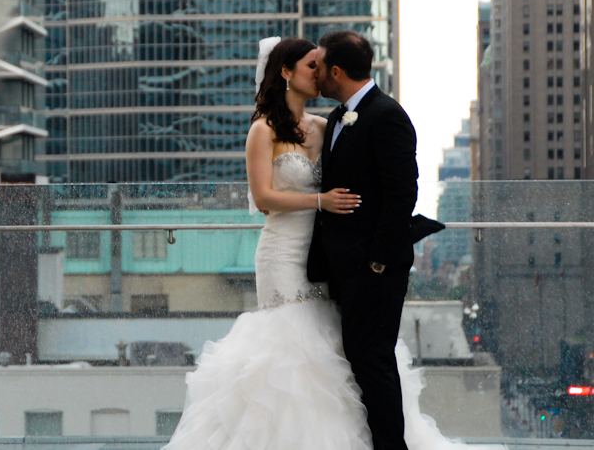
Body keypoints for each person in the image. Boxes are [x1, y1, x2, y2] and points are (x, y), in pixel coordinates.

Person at [162, 36, 504, 450]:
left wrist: (379, 251)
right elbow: (265, 200)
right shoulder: (262, 131)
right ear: (286, 72)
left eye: (319, 64)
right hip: (283, 253)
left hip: (331, 259)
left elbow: (381, 187)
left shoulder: (330, 125)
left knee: (331, 352)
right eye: (310, 65)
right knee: (288, 349)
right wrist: (319, 200)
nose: (317, 72)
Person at [307, 30, 416, 450]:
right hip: (343, 270)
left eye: (317, 65)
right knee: (359, 360)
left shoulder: (386, 115)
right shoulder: (337, 118)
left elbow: (402, 194)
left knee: (373, 364)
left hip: (375, 272)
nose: (314, 73)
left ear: (335, 71)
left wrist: (376, 262)